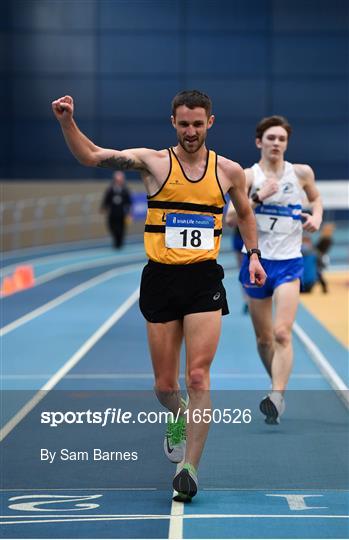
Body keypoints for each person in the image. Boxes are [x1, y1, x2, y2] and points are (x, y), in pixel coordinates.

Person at [52, 90, 266, 501]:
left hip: (204, 278)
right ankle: (179, 416)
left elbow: (246, 213)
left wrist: (254, 255)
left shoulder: (229, 171)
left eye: (197, 124)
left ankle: (190, 470)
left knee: (199, 375)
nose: (190, 131)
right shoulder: (152, 163)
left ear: (210, 123)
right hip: (161, 280)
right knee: (165, 387)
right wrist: (67, 122)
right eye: (183, 124)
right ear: (173, 123)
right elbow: (93, 156)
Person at [238, 115, 323, 424]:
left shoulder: (300, 172)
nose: (276, 143)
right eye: (270, 138)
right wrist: (258, 198)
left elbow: (316, 199)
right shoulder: (248, 176)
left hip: (289, 261)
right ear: (259, 142)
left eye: (281, 139)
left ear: (286, 144)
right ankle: (276, 387)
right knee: (264, 340)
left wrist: (316, 216)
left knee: (282, 332)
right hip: (257, 262)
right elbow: (232, 216)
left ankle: (276, 394)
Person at [100, 171, 132, 248]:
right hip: (112, 213)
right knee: (112, 227)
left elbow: (129, 202)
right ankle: (116, 239)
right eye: (117, 180)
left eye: (120, 180)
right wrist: (103, 208)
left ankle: (119, 242)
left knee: (121, 228)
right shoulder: (110, 189)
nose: (119, 181)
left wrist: (129, 212)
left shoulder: (125, 190)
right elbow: (106, 200)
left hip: (122, 213)